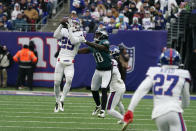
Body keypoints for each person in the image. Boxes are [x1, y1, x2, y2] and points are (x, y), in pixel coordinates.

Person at [122, 48, 191, 131]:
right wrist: (177, 105)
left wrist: (130, 109)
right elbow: (186, 102)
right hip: (173, 112)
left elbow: (140, 90)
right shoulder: (183, 74)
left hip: (158, 114)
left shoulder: (154, 72)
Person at [53, 17, 86, 113]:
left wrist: (70, 30)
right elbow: (55, 35)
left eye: (75, 23)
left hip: (70, 61)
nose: (74, 25)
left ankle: (62, 100)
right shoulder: (64, 30)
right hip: (60, 60)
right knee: (56, 83)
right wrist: (61, 25)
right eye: (73, 23)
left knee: (69, 80)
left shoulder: (81, 34)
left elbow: (73, 41)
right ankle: (57, 100)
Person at [78, 30, 112, 118]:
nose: (96, 35)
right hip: (98, 70)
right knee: (93, 89)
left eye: (98, 34)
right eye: (96, 34)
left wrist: (86, 41)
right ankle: (98, 106)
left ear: (103, 35)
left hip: (107, 71)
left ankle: (103, 111)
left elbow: (100, 47)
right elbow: (85, 50)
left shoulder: (105, 42)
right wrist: (73, 50)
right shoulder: (94, 44)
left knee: (104, 88)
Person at [106, 45, 125, 124]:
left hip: (116, 87)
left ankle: (125, 119)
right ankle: (123, 119)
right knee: (118, 103)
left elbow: (109, 74)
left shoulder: (111, 61)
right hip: (122, 86)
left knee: (109, 110)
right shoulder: (116, 61)